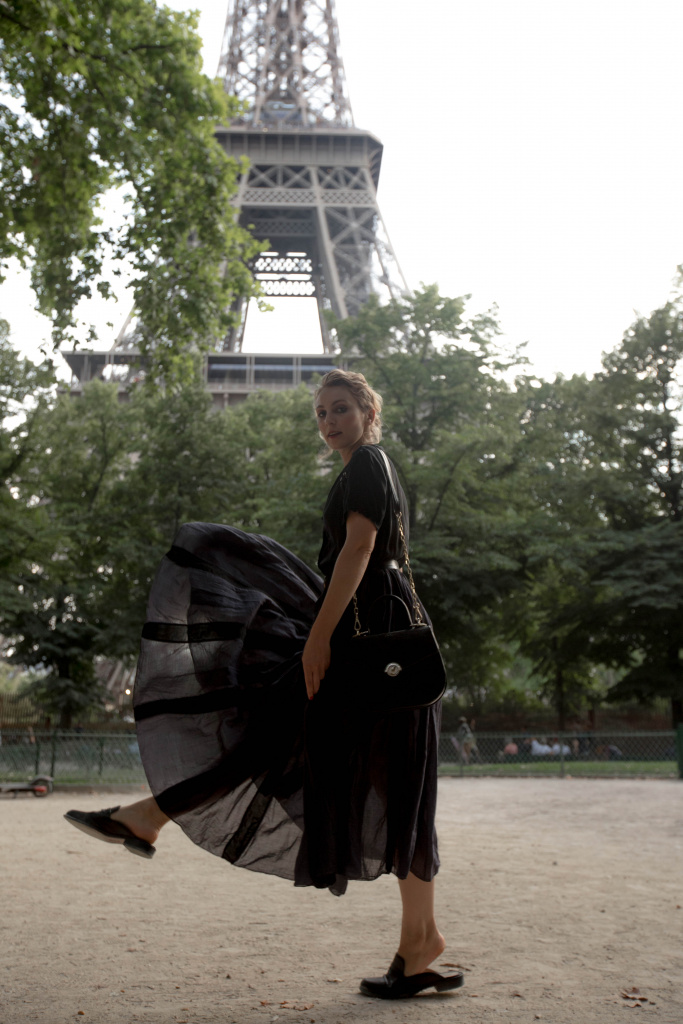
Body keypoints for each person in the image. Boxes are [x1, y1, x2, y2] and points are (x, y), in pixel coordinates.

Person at [64, 369, 463, 1001]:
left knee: (283, 736)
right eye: (321, 413)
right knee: (369, 774)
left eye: (341, 408)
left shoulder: (368, 463)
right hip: (382, 645)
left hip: (367, 644)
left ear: (368, 411)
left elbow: (360, 549)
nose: (329, 421)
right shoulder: (365, 470)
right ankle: (420, 943)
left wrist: (318, 637)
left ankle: (148, 816)